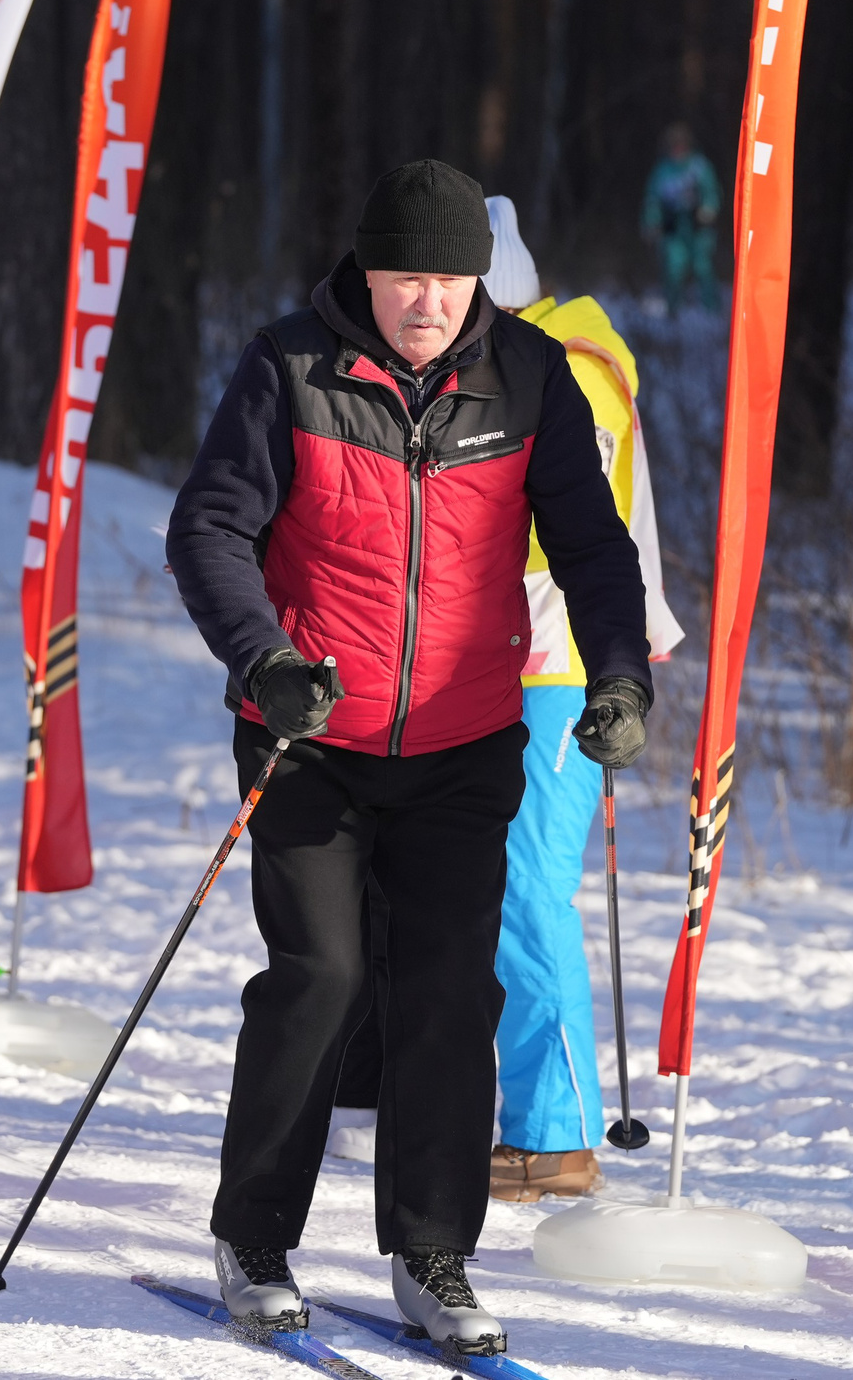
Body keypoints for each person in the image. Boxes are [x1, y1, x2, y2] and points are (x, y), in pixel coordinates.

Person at [165, 159, 656, 1357]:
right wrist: (263, 658)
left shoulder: (533, 378)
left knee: (449, 993)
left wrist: (621, 674)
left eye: (445, 279)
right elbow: (210, 528)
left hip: (464, 739)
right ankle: (255, 1234)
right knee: (322, 978)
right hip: (311, 734)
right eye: (402, 278)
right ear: (367, 273)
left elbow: (592, 546)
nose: (423, 301)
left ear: (475, 279)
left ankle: (433, 1249)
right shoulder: (289, 367)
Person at [480, 195, 683, 1201]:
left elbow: (544, 535)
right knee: (486, 888)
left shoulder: (565, 377)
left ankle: (553, 1136)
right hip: (532, 659)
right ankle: (510, 1110)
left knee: (527, 893)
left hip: (556, 662)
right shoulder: (559, 355)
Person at [640, 121, 722, 311]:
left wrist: (709, 208)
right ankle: (673, 310)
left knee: (704, 267)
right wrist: (651, 223)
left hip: (697, 226)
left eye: (681, 144)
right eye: (673, 144)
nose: (677, 148)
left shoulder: (699, 166)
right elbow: (652, 200)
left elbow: (712, 191)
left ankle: (712, 309)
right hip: (673, 227)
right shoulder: (662, 171)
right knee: (672, 269)